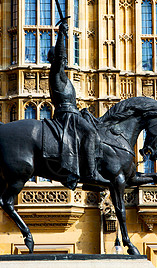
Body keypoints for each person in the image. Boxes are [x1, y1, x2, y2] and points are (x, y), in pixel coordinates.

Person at [46, 19, 108, 189]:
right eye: (62, 58)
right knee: (90, 133)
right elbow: (59, 56)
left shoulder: (62, 77)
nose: (65, 59)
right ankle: (91, 174)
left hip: (73, 113)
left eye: (65, 58)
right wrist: (61, 35)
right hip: (66, 116)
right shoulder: (55, 73)